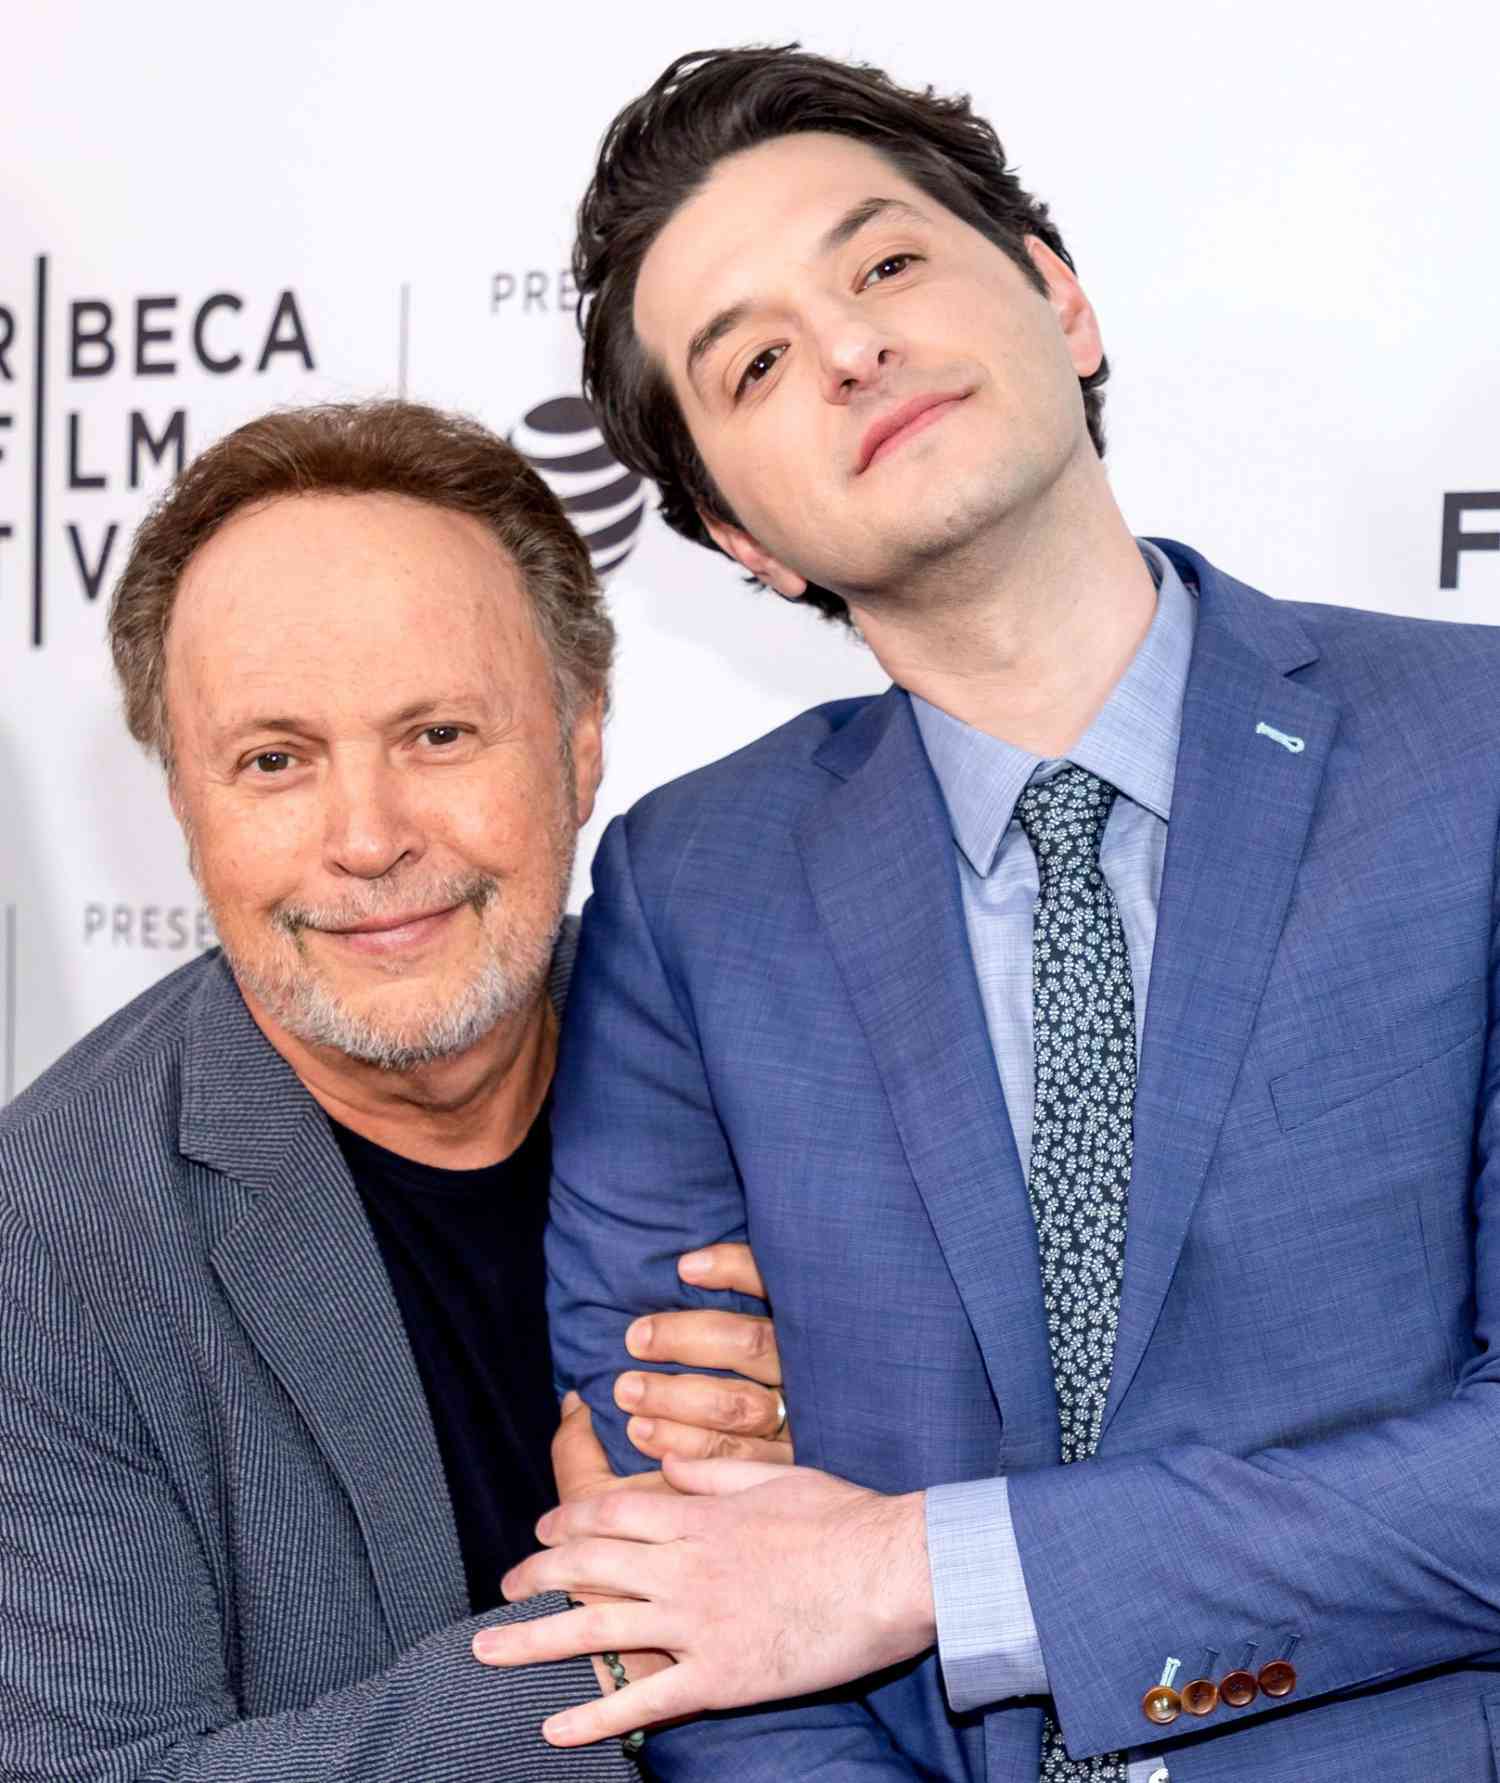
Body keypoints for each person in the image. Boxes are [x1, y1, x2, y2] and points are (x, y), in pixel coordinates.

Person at [474, 42, 1500, 1783]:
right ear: (740, 539)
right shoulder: (687, 895)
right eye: (757, 362)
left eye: (883, 266)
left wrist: (921, 1570)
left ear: (1061, 299)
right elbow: (693, 1588)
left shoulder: (1471, 755)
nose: (852, 349)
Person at [0, 400, 793, 1781]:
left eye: (436, 734)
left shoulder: (783, 1066)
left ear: (581, 741)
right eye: (274, 762)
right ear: (184, 807)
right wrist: (618, 1635)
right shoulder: (46, 1242)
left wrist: (845, 1449)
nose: (366, 841)